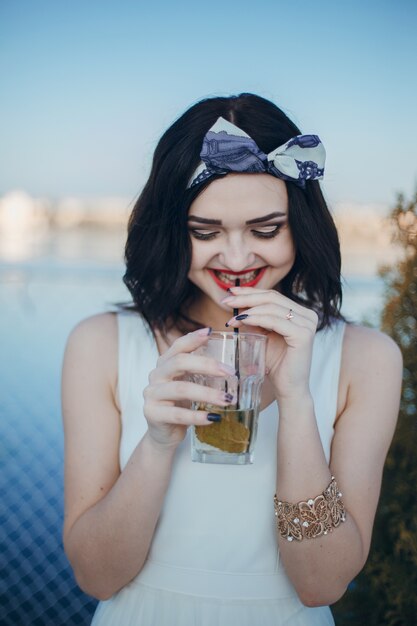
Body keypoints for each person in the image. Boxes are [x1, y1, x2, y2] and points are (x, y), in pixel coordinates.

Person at [62, 93, 403, 625]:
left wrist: (295, 398)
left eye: (267, 230)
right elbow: (96, 577)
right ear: (172, 230)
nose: (239, 260)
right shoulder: (99, 344)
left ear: (302, 227)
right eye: (205, 232)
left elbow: (321, 584)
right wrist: (157, 443)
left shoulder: (368, 360)